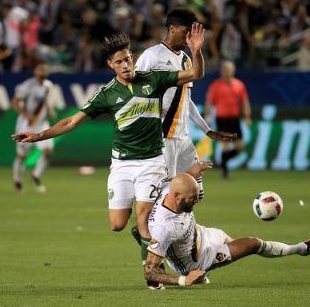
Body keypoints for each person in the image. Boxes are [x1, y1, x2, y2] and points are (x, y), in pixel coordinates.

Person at [12, 28, 206, 289]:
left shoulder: (154, 80)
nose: (125, 65)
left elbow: (195, 74)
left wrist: (195, 51)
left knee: (144, 215)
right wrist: (38, 136)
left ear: (133, 58)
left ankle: (152, 274)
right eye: (119, 61)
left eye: (128, 59)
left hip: (151, 162)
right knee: (116, 224)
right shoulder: (106, 94)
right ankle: (145, 238)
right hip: (122, 165)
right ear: (110, 64)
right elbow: (71, 121)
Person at [144, 173, 310, 287]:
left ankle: (206, 273)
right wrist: (184, 280)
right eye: (193, 197)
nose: (198, 200)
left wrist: (196, 171)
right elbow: (150, 272)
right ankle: (302, 249)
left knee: (229, 240)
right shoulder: (164, 228)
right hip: (194, 260)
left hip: (199, 234)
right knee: (252, 243)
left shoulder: (168, 188)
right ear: (176, 196)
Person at [135, 8, 236, 200]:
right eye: (186, 31)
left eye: (193, 32)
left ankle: (184, 229)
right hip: (161, 138)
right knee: (164, 196)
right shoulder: (152, 56)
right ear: (172, 28)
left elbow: (186, 100)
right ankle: (148, 229)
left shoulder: (186, 59)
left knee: (194, 195)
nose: (190, 36)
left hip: (182, 138)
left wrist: (207, 130)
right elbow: (133, 92)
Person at [11, 63, 55, 193]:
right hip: (27, 124)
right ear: (36, 73)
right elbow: (15, 101)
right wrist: (26, 115)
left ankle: (36, 175)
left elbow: (44, 100)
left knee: (48, 150)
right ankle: (17, 180)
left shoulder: (48, 85)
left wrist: (50, 109)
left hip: (41, 123)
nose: (42, 76)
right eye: (41, 73)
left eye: (44, 74)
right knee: (22, 156)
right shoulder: (27, 85)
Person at [204, 61, 252, 179]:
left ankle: (223, 163)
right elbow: (209, 103)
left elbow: (244, 102)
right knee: (225, 146)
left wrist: (247, 116)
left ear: (233, 71)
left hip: (234, 120)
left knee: (240, 146)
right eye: (225, 69)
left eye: (229, 69)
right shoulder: (215, 85)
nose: (227, 71)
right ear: (221, 71)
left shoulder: (239, 85)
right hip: (222, 119)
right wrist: (207, 116)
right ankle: (225, 172)